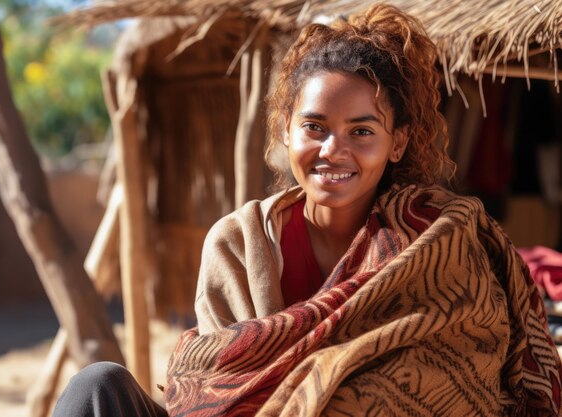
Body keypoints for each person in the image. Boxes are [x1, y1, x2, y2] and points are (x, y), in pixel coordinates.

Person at [53, 4, 562, 417]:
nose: (332, 151)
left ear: (398, 142)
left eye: (362, 131)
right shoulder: (238, 242)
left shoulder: (439, 243)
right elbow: (221, 389)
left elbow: (462, 380)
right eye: (314, 127)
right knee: (98, 388)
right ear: (285, 131)